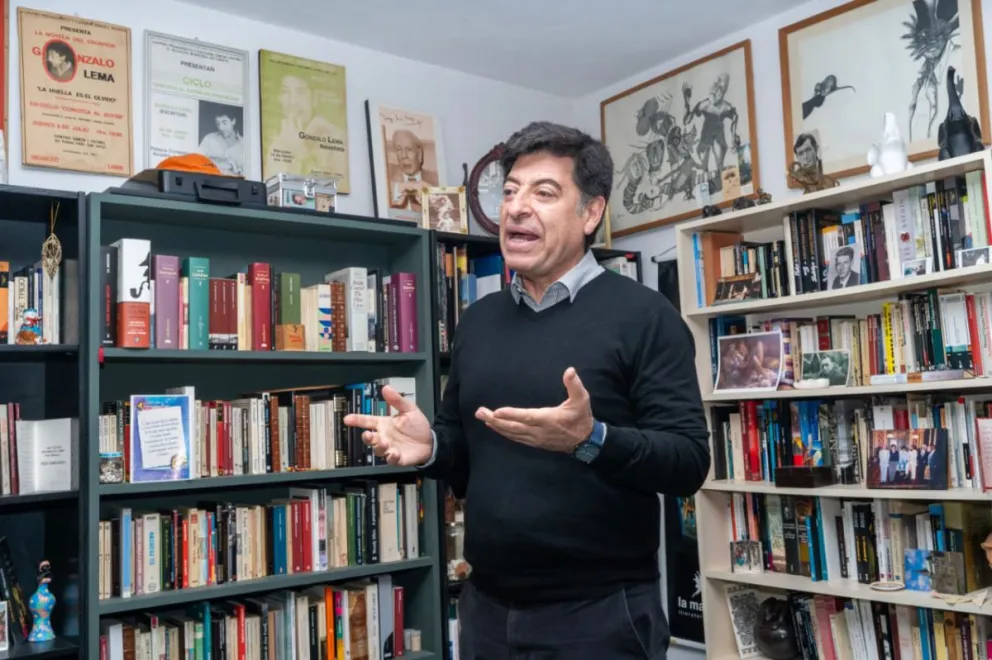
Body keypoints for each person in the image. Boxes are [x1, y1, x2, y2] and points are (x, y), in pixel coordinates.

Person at [344, 121, 710, 659]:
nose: (516, 207)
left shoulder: (645, 316)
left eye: (543, 193)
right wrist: (434, 448)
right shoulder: (479, 320)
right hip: (486, 611)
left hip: (601, 618)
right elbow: (468, 454)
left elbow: (687, 461)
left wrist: (590, 439)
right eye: (510, 190)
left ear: (590, 214)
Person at [198, 110, 245, 176]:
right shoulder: (209, 139)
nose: (221, 128)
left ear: (233, 121)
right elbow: (197, 160)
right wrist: (222, 163)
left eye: (224, 123)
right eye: (218, 123)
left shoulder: (245, 144)